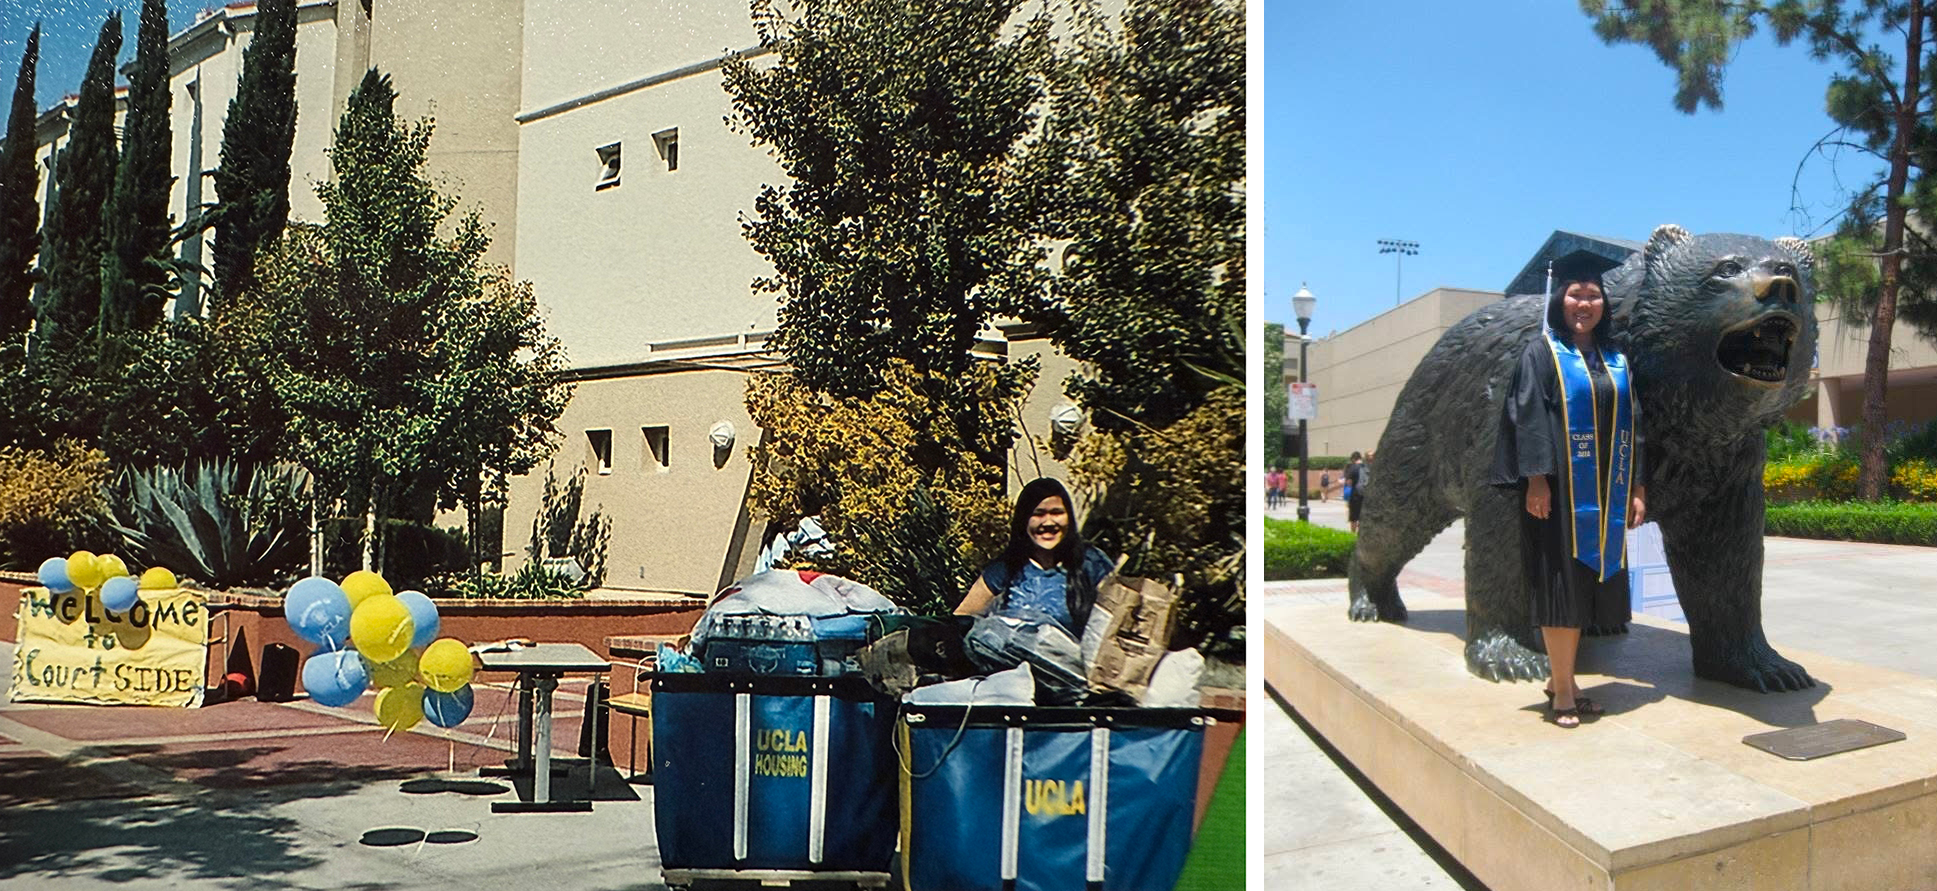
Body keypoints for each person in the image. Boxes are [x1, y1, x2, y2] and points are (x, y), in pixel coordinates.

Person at [1489, 250, 1647, 729]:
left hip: (1606, 497)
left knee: (1585, 591)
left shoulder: (1616, 359)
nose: (1585, 302)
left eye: (1593, 295)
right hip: (1557, 494)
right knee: (1561, 589)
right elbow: (1528, 417)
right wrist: (1536, 479)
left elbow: (1635, 423)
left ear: (1604, 304)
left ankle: (1566, 681)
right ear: (1560, 300)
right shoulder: (1541, 352)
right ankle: (1562, 692)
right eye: (1576, 294)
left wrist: (1638, 484)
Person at [956, 477, 1115, 639]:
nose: (1048, 522)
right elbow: (963, 618)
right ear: (1023, 521)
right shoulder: (1006, 567)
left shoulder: (1091, 562)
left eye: (1056, 513)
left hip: (1071, 662)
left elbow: (1117, 617)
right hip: (1012, 662)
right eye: (1038, 514)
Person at [1342, 452, 1364, 532]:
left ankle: (1352, 535)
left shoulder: (1353, 468)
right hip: (1366, 495)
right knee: (1363, 516)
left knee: (1354, 517)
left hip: (1355, 495)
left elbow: (1348, 482)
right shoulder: (1367, 466)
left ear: (1353, 459)